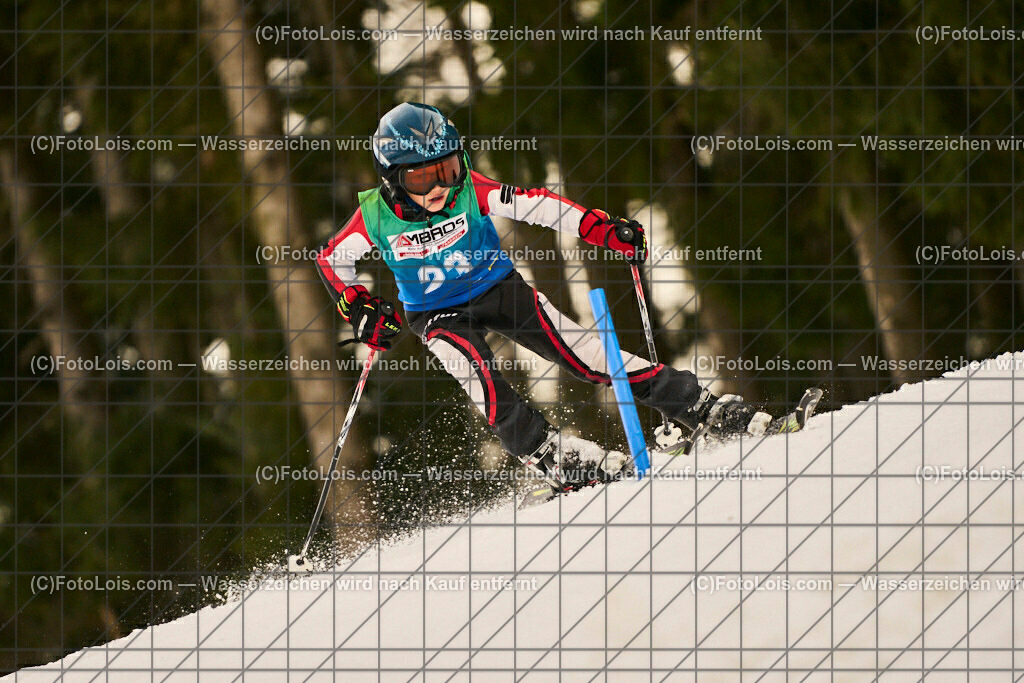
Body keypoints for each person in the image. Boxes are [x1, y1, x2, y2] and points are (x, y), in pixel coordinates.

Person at [315, 102, 774, 490]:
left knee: (587, 353)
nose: (439, 188)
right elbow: (332, 259)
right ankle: (553, 456)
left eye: (447, 169)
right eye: (422, 179)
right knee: (480, 376)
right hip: (437, 315)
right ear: (393, 177)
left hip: (498, 287)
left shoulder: (470, 190)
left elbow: (538, 203)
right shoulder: (373, 216)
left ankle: (698, 406)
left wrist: (601, 229)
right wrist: (359, 305)